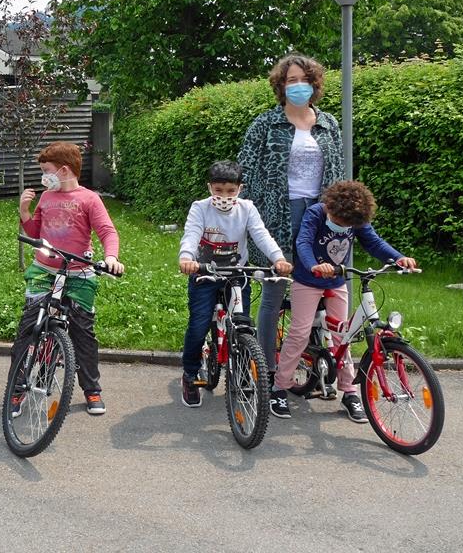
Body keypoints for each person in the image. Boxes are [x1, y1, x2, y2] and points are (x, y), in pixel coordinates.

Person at [271, 181, 416, 422]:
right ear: (328, 206)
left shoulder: (354, 218)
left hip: (337, 281)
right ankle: (279, 386)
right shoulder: (316, 213)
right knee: (299, 332)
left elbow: (374, 242)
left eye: (346, 225)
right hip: (308, 279)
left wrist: (398, 258)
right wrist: (313, 265)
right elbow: (303, 243)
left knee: (344, 335)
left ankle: (349, 392)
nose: (341, 226)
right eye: (337, 221)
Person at [238, 53, 343, 380]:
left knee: (322, 288)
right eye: (291, 80)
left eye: (304, 80)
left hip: (320, 215)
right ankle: (267, 371)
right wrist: (252, 216)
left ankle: (317, 364)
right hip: (278, 215)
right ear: (281, 86)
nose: (298, 86)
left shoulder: (328, 124)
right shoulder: (266, 124)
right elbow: (247, 171)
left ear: (315, 84)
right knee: (274, 292)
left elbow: (337, 171)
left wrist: (339, 214)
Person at [14, 142, 124, 416]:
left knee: (83, 333)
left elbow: (108, 231)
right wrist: (25, 212)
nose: (43, 177)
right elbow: (35, 232)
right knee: (28, 329)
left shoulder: (89, 199)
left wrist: (111, 257)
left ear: (63, 170)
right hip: (44, 270)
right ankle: (16, 390)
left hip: (78, 272)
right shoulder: (47, 197)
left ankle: (92, 389)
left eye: (46, 171)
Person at [177, 161, 291, 408]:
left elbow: (261, 235)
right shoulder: (200, 208)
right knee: (198, 325)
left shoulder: (247, 209)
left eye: (230, 191)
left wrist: (278, 258)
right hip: (204, 273)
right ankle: (190, 375)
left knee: (242, 325)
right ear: (210, 188)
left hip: (236, 274)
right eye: (218, 190)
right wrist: (186, 257)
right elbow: (192, 233)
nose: (224, 196)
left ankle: (242, 374)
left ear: (240, 189)